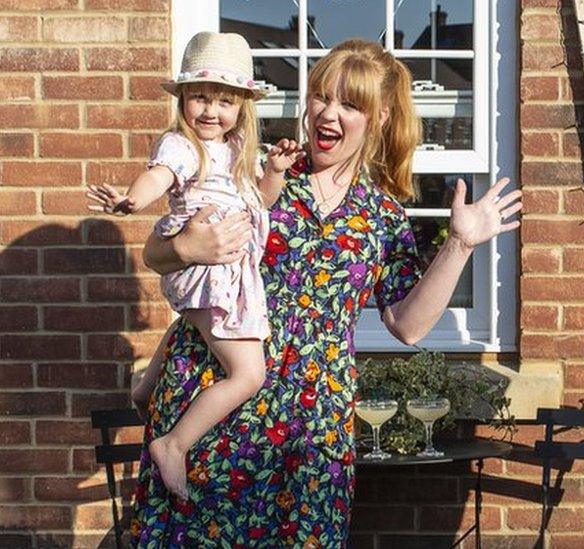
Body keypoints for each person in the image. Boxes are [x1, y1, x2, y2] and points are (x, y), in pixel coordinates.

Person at [128, 38, 521, 547]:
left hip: (312, 428)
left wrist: (460, 245)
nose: (327, 114)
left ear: (378, 117)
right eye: (320, 97)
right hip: (213, 404)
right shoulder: (257, 177)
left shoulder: (382, 216)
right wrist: (185, 245)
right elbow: (155, 256)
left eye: (350, 104)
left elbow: (408, 324)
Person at [86, 31, 305, 501]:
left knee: (196, 326)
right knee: (249, 375)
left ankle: (146, 387)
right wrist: (131, 200)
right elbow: (156, 177)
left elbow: (260, 204)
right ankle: (174, 444)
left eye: (224, 101)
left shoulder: (235, 150)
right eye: (200, 97)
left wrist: (275, 173)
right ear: (184, 99)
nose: (210, 110)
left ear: (242, 107)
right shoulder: (184, 147)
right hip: (209, 269)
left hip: (228, 270)